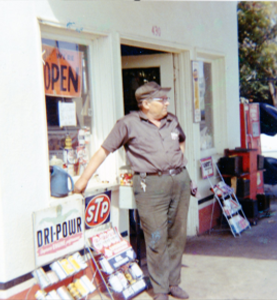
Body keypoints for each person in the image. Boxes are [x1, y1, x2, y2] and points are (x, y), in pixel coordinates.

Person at [74, 81, 191, 300]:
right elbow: (104, 150)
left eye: (166, 99)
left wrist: (180, 161)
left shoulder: (171, 119)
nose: (167, 102)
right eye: (162, 99)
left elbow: (182, 141)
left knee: (177, 235)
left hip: (180, 181)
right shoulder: (128, 123)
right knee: (156, 237)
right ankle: (160, 290)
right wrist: (83, 179)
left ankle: (173, 283)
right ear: (146, 104)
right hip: (150, 185)